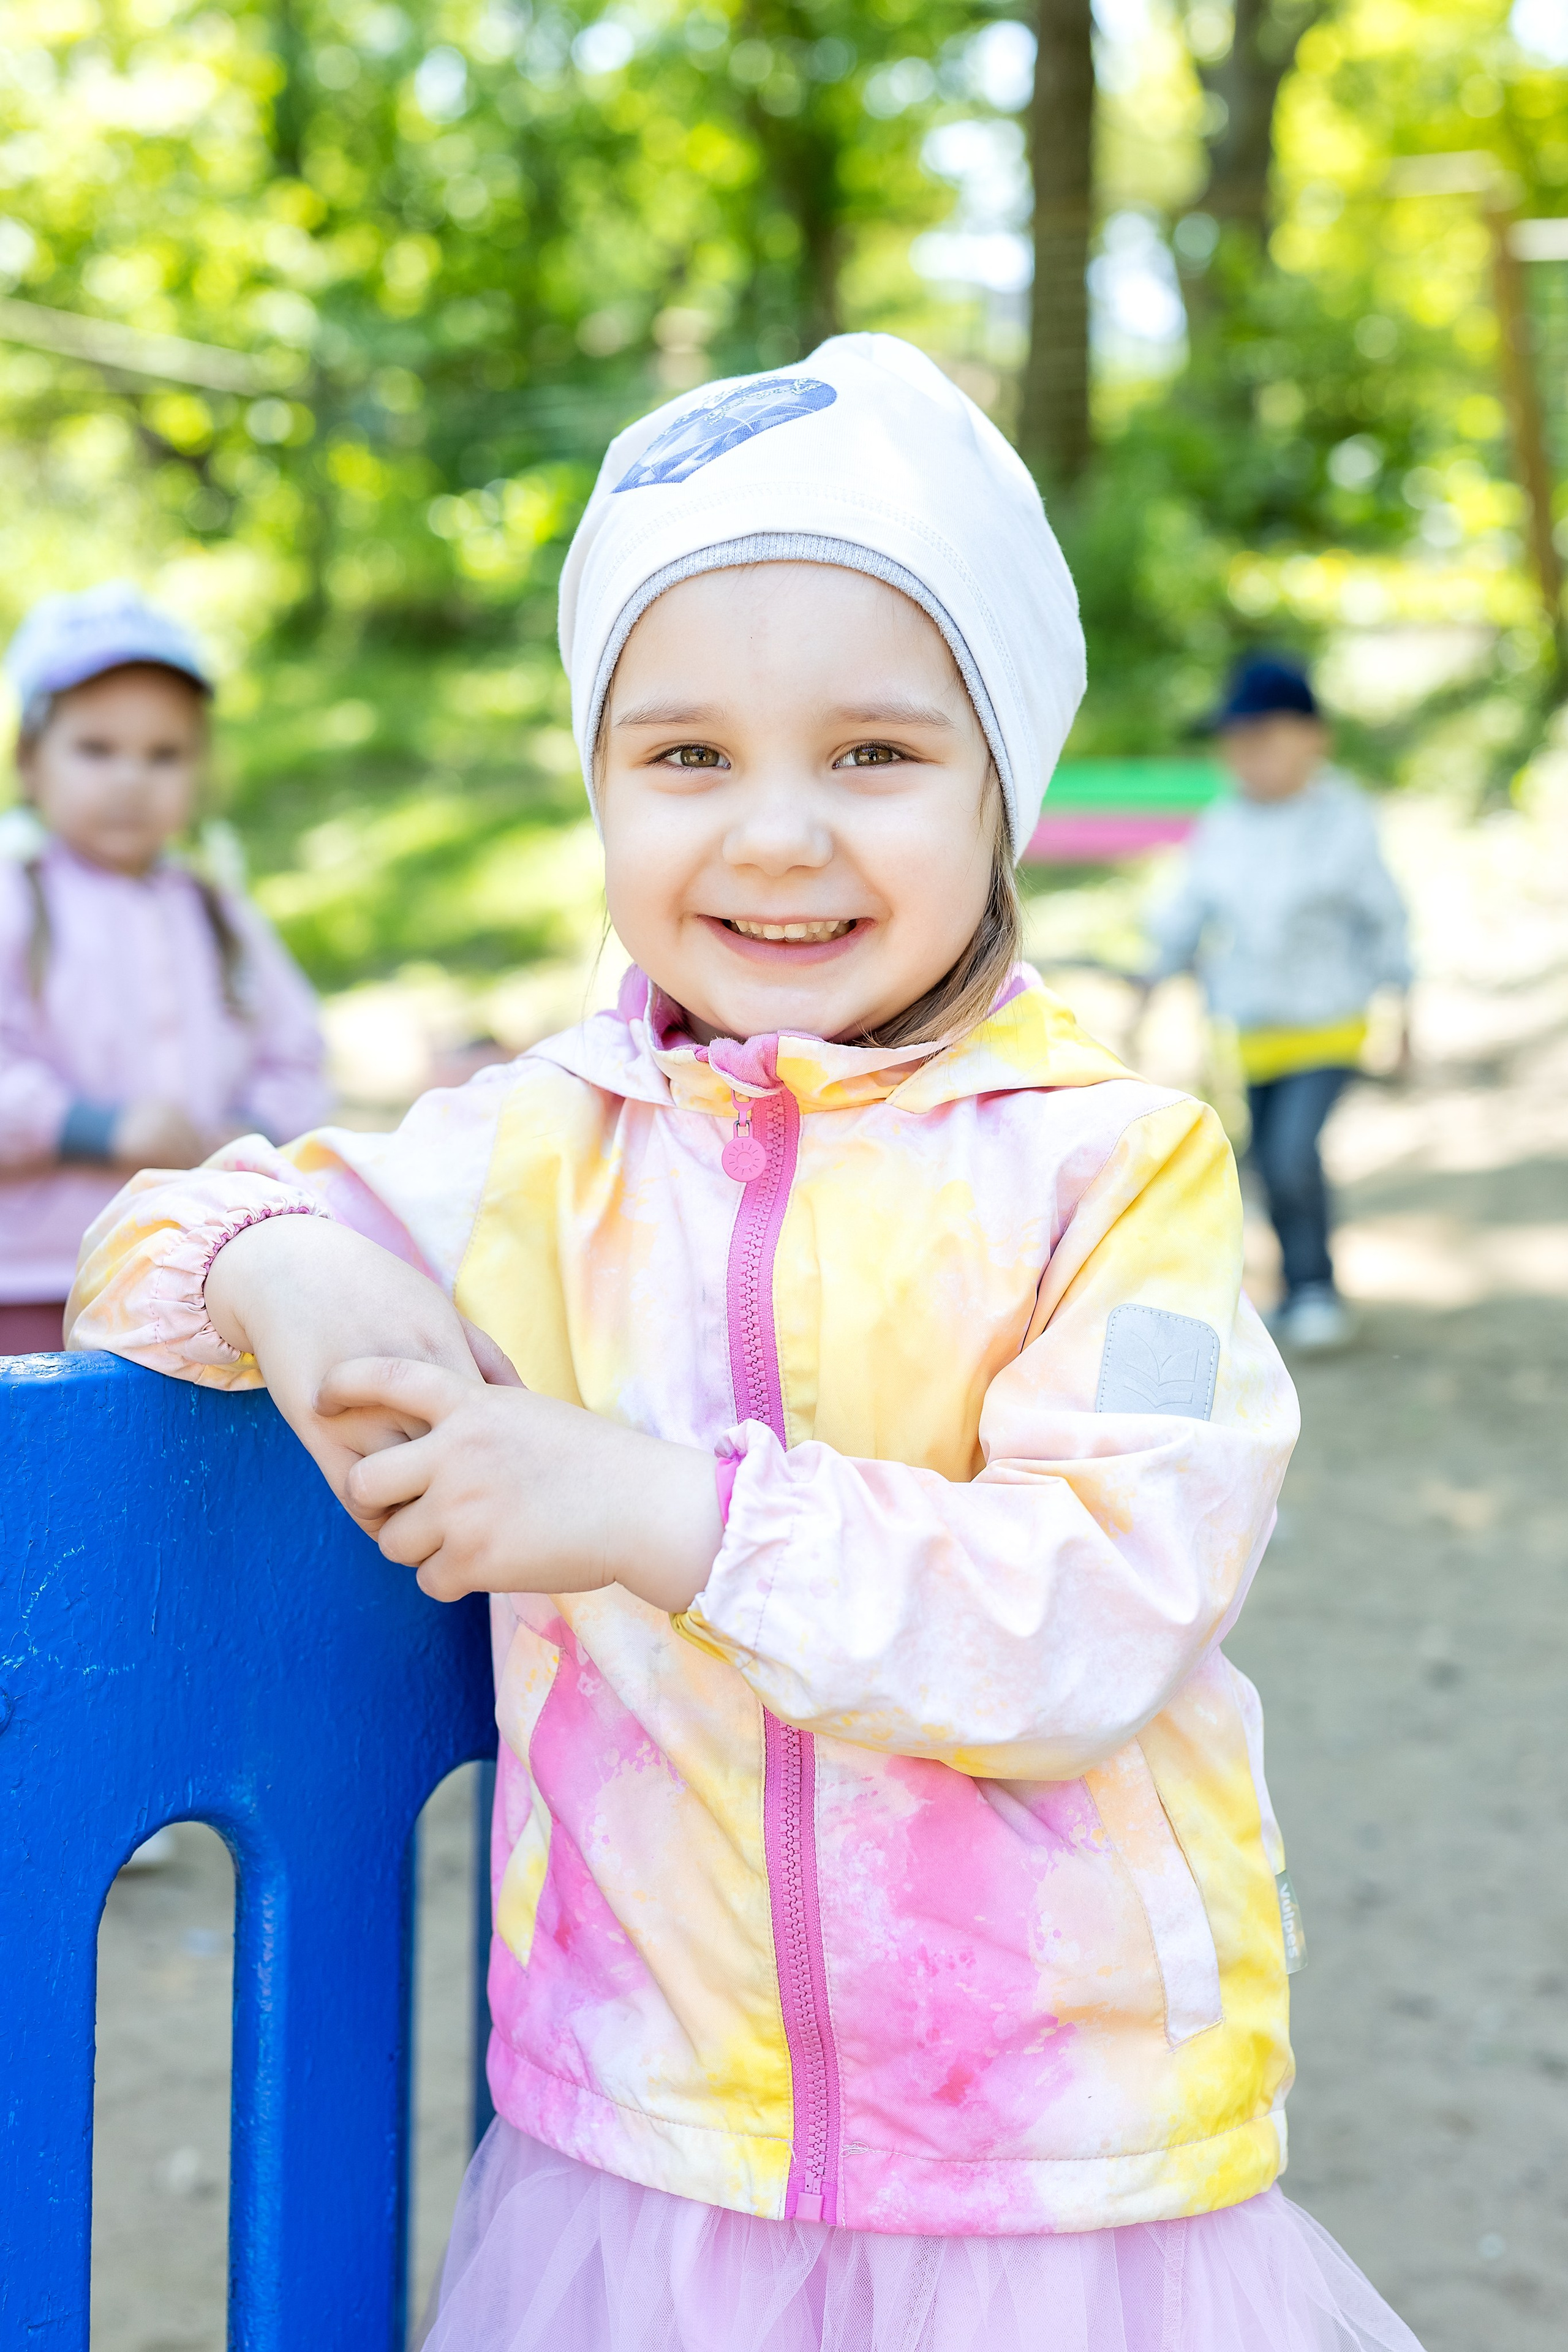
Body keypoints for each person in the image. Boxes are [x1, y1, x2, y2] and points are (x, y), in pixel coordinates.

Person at [67, 342, 1424, 2350]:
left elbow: (1104, 1599)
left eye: (874, 754)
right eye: (686, 758)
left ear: (1006, 788)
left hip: (1045, 2175)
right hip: (644, 2156)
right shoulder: (552, 1138)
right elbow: (159, 1231)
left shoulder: (1116, 1172)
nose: (778, 836)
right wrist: (289, 1266)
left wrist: (669, 1515)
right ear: (601, 784)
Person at [0, 582, 330, 1358]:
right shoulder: (15, 891)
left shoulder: (216, 908)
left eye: (164, 755)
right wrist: (95, 1129)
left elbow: (297, 1051)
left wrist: (253, 1135)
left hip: (187, 1283)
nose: (130, 780)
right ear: (29, 762)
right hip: (31, 1275)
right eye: (96, 749)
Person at [1142, 655, 1412, 1357]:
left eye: (1264, 738)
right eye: (1236, 742)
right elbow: (1188, 908)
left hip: (1329, 1022)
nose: (1248, 757)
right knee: (1265, 1161)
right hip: (1253, 1026)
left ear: (1312, 737)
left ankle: (1317, 1286)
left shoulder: (1342, 820)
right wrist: (1154, 974)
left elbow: (1383, 916)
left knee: (1292, 1155)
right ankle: (1296, 1289)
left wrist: (1404, 1009)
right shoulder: (1224, 826)